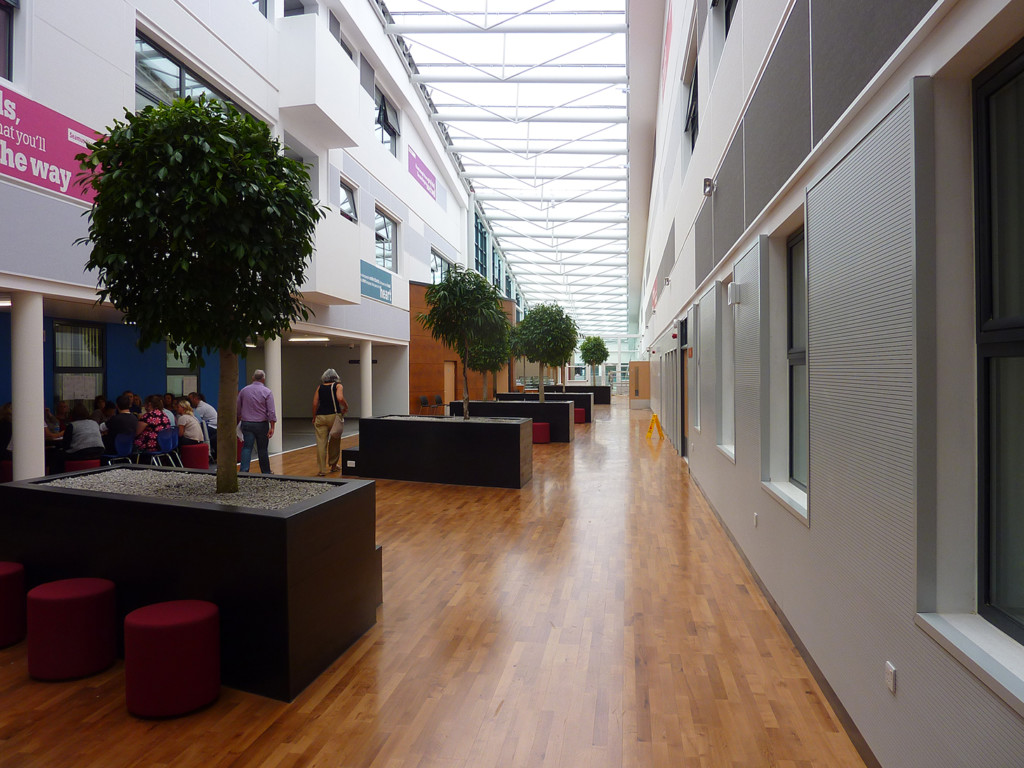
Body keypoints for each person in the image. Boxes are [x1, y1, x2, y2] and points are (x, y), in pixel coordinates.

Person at [236, 369, 276, 474]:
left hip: (247, 423)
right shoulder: (267, 392)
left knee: (247, 447)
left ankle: (244, 470)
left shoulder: (244, 390)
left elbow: (238, 408)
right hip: (262, 424)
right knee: (262, 449)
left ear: (253, 378)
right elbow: (271, 411)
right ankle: (265, 471)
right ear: (263, 379)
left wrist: (240, 417)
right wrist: (272, 427)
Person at [311, 368, 348, 476]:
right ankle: (333, 465)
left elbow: (314, 403)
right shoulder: (338, 386)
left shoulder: (320, 387)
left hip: (321, 416)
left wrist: (314, 416)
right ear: (336, 376)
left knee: (321, 443)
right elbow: (340, 398)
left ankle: (322, 470)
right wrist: (346, 406)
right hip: (334, 416)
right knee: (335, 441)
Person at [188, 392, 218, 457]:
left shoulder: (201, 408)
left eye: (190, 399)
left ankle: (202, 455)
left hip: (212, 426)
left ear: (195, 399)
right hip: (212, 425)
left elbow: (196, 420)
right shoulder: (202, 405)